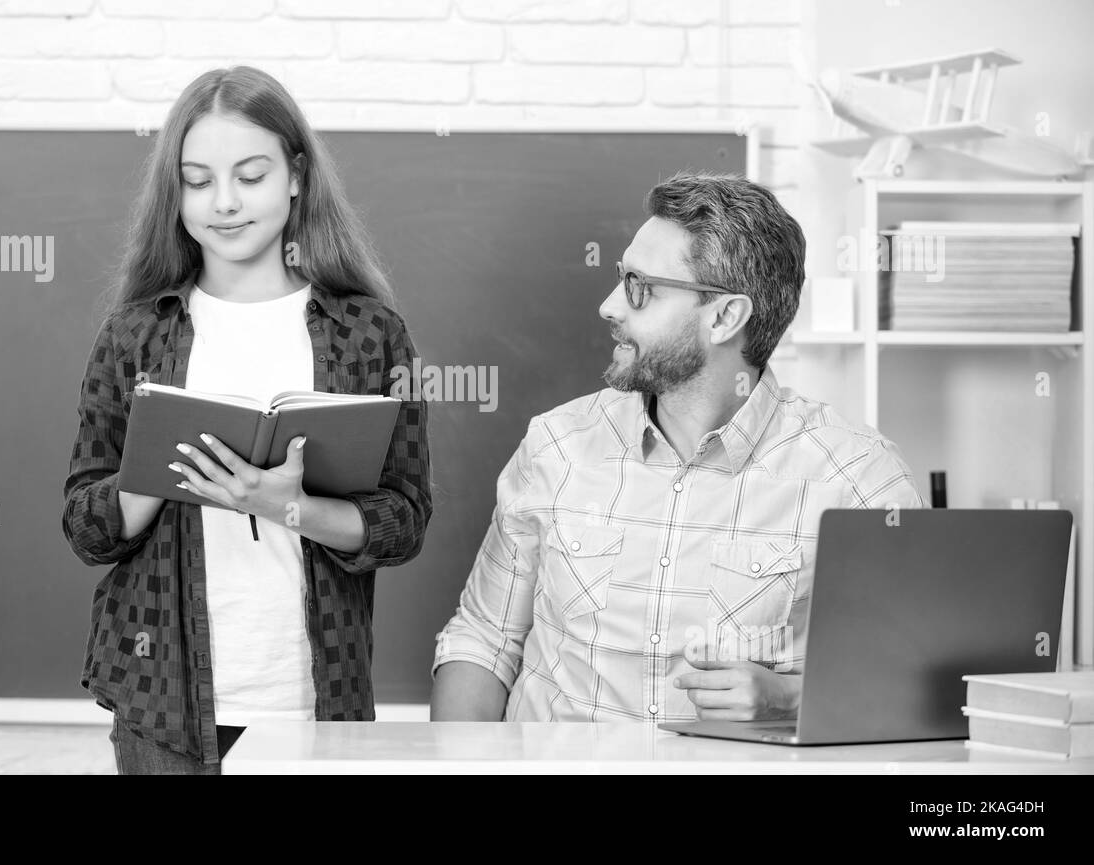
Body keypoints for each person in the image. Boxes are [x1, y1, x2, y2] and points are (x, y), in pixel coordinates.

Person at [431, 171, 923, 723]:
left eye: (640, 287)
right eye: (622, 278)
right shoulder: (557, 446)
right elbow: (482, 642)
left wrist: (792, 697)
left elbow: (913, 679)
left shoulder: (860, 480)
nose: (610, 305)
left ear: (724, 317)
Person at [62, 66, 432, 773]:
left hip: (317, 708)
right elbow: (85, 524)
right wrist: (156, 473)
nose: (223, 203)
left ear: (296, 175)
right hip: (161, 709)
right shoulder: (137, 334)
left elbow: (404, 520)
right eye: (197, 181)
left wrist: (292, 506)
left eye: (250, 176)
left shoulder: (369, 334)